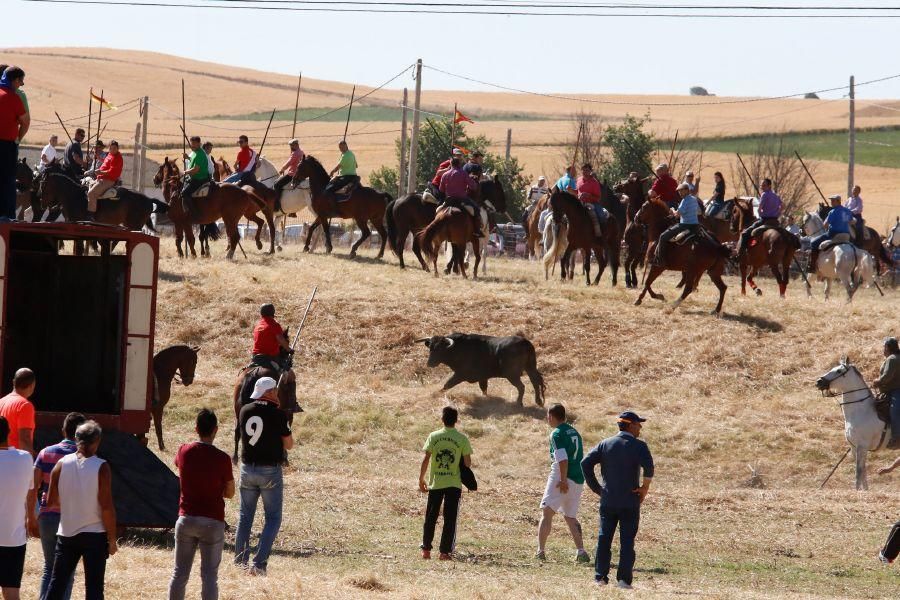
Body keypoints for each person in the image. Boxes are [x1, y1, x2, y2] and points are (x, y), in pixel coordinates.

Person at [45, 421, 118, 600]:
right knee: (94, 588)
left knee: (57, 585)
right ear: (97, 441)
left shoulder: (60, 464)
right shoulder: (101, 467)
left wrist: (71, 504)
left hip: (67, 533)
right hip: (94, 535)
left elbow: (51, 502)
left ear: (76, 439)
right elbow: (106, 507)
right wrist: (112, 539)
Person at [581, 411, 654, 589]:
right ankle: (623, 580)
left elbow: (585, 463)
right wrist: (644, 488)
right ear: (630, 425)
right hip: (630, 501)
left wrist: (597, 488)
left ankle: (600, 577)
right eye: (638, 424)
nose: (640, 427)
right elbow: (649, 468)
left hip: (608, 499)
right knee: (627, 541)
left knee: (604, 538)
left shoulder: (605, 444)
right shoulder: (639, 446)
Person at [168, 409, 234, 600]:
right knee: (209, 576)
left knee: (179, 574)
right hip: (212, 520)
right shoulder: (223, 458)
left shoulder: (184, 451)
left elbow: (178, 465)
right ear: (216, 430)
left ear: (196, 428)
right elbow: (230, 492)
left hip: (187, 518)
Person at [234, 377, 293, 576]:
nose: (277, 393)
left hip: (247, 468)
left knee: (245, 517)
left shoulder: (244, 410)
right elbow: (289, 444)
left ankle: (240, 562)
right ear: (269, 392)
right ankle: (258, 564)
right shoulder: (278, 414)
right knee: (273, 518)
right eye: (275, 390)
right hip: (269, 470)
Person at [34, 412, 86, 600]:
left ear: (63, 430)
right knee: (67, 571)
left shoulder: (45, 453)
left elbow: (34, 486)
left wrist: (33, 514)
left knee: (49, 567)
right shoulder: (84, 458)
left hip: (47, 516)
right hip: (72, 519)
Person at [536, 403, 590, 563]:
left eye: (548, 416)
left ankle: (540, 551)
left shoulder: (557, 433)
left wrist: (563, 479)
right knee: (570, 516)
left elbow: (563, 459)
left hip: (562, 475)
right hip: (578, 477)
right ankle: (581, 551)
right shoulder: (574, 431)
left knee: (547, 512)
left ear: (551, 416)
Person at [419, 406, 472, 561]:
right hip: (453, 484)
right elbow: (467, 463)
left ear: (442, 419)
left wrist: (421, 479)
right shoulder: (462, 439)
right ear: (456, 420)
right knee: (450, 519)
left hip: (436, 483)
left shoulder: (433, 436)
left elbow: (426, 459)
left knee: (431, 517)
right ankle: (444, 552)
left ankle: (426, 549)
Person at [0, 415, 38, 600]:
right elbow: (30, 490)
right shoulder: (25, 459)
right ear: (9, 433)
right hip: (14, 538)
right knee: (12, 592)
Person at [0, 66, 29, 222]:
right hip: (7, 146)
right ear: (14, 80)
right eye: (20, 81)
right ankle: (7, 217)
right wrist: (18, 137)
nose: (21, 84)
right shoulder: (14, 97)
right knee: (8, 180)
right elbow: (26, 121)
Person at [655, 183, 700, 266]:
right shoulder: (694, 199)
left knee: (662, 236)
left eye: (681, 191)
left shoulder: (685, 200)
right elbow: (697, 211)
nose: (680, 193)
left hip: (685, 225)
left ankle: (660, 260)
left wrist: (672, 211)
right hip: (696, 225)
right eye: (679, 191)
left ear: (687, 190)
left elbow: (677, 215)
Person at [808, 193, 853, 272]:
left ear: (838, 201)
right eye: (831, 201)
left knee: (813, 243)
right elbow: (851, 221)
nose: (831, 202)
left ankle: (812, 266)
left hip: (834, 235)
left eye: (833, 201)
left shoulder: (833, 211)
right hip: (846, 235)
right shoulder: (847, 211)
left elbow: (825, 225)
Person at [439, 157, 483, 236]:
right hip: (462, 199)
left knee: (438, 210)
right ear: (459, 164)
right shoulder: (463, 173)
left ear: (451, 164)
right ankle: (477, 230)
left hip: (449, 200)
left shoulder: (445, 174)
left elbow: (441, 189)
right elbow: (473, 186)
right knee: (476, 209)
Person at [737, 178, 782, 257]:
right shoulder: (776, 196)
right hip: (775, 221)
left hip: (765, 220)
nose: (762, 187)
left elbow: (759, 209)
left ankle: (740, 255)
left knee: (744, 233)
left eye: (764, 185)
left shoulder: (764, 194)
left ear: (769, 186)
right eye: (761, 185)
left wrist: (760, 214)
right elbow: (783, 206)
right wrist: (778, 213)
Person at [0, 368, 36, 455]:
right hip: (14, 459)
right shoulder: (25, 405)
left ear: (13, 382)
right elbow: (25, 439)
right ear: (32, 385)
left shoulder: (1, 401)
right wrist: (29, 460)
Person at [874, 337, 900, 449]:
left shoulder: (892, 359)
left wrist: (877, 381)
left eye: (884, 347)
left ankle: (896, 438)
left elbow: (887, 377)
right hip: (891, 390)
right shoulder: (894, 358)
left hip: (896, 391)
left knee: (895, 410)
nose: (883, 350)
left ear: (888, 348)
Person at [251, 304, 292, 373]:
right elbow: (281, 339)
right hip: (270, 358)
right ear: (273, 312)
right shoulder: (274, 325)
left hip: (255, 358)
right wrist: (289, 350)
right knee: (290, 375)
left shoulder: (257, 326)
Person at [86, 140, 122, 216]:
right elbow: (105, 161)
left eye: (114, 148)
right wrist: (99, 158)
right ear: (109, 148)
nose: (113, 150)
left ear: (117, 148)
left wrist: (100, 172)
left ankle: (91, 216)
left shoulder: (117, 158)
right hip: (101, 178)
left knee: (91, 194)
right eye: (111, 148)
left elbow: (112, 171)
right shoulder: (109, 155)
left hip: (108, 180)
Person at [181, 136, 211, 215]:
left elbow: (195, 170)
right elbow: (194, 161)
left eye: (194, 144)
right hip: (193, 177)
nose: (192, 145)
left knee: (184, 193)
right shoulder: (195, 152)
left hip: (199, 179)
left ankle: (194, 213)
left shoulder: (200, 154)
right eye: (191, 144)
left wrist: (185, 172)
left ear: (199, 144)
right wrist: (188, 158)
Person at [577, 163, 606, 238]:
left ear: (590, 171)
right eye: (583, 170)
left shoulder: (594, 182)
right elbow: (577, 191)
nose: (585, 172)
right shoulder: (579, 180)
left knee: (600, 216)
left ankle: (600, 235)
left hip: (592, 203)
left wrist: (589, 195)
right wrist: (571, 190)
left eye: (587, 170)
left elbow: (598, 198)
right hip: (580, 203)